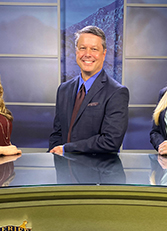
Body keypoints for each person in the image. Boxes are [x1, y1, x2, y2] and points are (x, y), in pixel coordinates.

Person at [49, 26, 129, 155]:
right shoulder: (63, 89)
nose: (87, 54)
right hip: (65, 171)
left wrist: (66, 149)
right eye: (82, 48)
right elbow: (57, 134)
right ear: (76, 51)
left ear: (104, 54)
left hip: (97, 172)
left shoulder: (116, 92)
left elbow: (111, 141)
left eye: (94, 49)